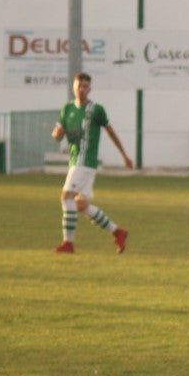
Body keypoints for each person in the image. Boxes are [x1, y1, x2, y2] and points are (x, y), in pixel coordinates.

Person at [51, 72, 133, 254]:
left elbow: (111, 132)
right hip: (75, 161)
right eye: (79, 86)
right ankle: (118, 232)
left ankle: (68, 244)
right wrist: (57, 134)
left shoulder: (96, 110)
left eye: (86, 86)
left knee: (66, 197)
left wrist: (124, 155)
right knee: (81, 205)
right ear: (74, 87)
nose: (82, 90)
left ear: (90, 89)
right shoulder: (67, 109)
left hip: (85, 161)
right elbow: (58, 133)